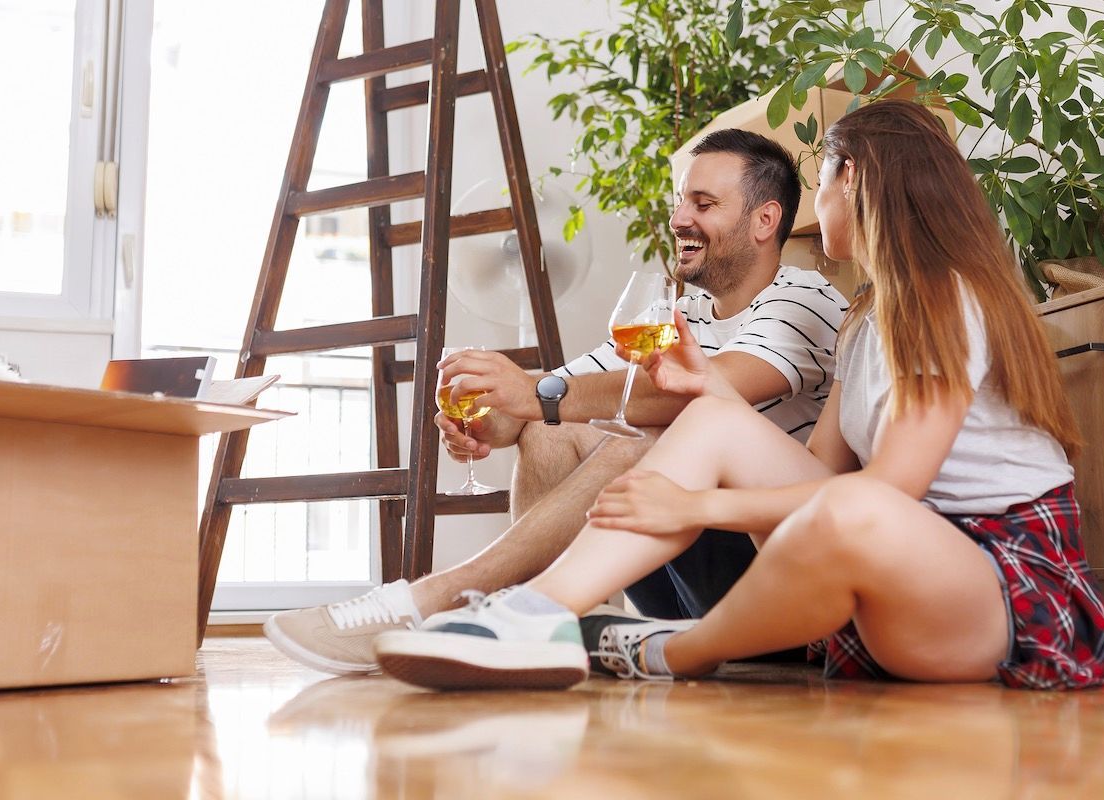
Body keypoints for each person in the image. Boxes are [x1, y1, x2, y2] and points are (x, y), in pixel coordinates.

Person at [371, 99, 1104, 692]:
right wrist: (715, 400)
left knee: (858, 505)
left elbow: (884, 493)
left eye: (824, 180)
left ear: (856, 180)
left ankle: (676, 650)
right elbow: (818, 470)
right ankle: (534, 614)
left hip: (998, 585)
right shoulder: (867, 317)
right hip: (894, 572)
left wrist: (698, 508)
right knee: (714, 420)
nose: (814, 206)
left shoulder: (944, 298)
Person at [265, 129, 849, 675]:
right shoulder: (681, 312)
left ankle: (444, 597)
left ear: (764, 220)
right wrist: (496, 417)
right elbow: (559, 394)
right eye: (680, 202)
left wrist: (536, 394)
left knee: (644, 441)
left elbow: (701, 392)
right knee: (550, 431)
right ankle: (541, 632)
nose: (679, 219)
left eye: (703, 204)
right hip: (683, 564)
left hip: (767, 572)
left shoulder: (806, 298)